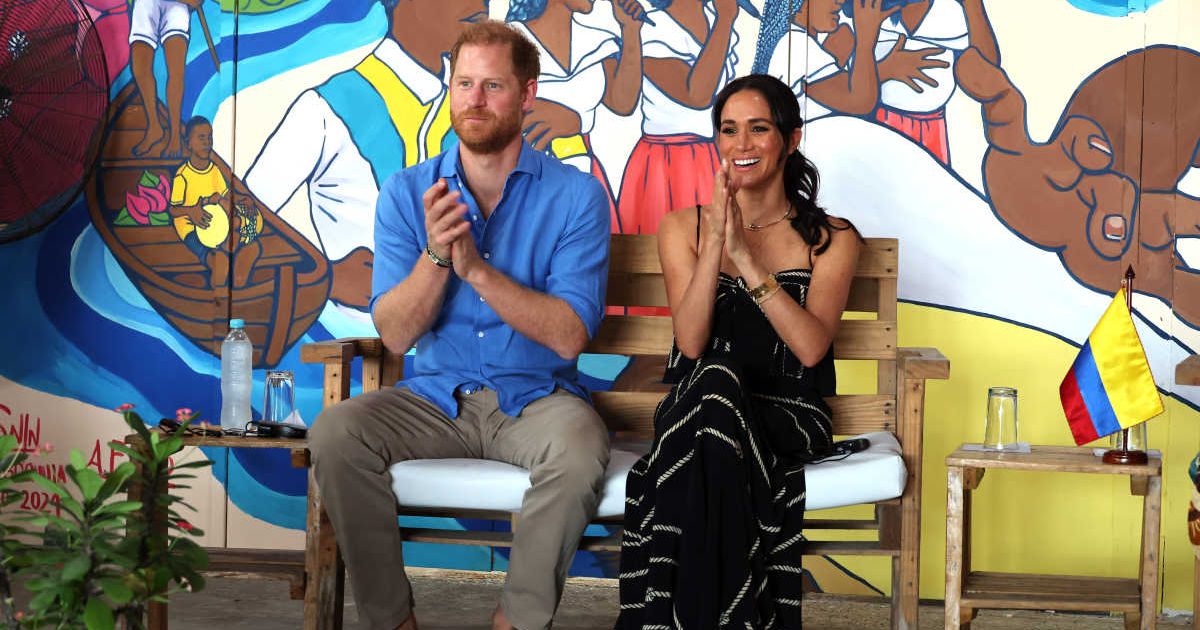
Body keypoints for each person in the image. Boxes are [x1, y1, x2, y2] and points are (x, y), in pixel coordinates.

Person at [308, 20, 612, 630]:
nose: (474, 100)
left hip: (535, 400)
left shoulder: (576, 196)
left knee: (579, 450)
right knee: (335, 434)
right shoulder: (407, 192)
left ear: (527, 94)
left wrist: (476, 270)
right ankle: (392, 622)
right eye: (464, 84)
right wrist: (438, 257)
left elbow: (569, 334)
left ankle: (516, 621)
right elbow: (396, 336)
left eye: (492, 85)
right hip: (434, 401)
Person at [616, 74, 861, 628]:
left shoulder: (831, 238)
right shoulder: (681, 227)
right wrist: (715, 244)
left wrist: (746, 259)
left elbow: (811, 348)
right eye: (728, 130)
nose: (741, 144)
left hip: (786, 414)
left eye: (758, 129)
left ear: (790, 139)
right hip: (699, 410)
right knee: (714, 383)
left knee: (714, 395)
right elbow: (691, 342)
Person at [244, 0, 488, 311]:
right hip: (356, 333)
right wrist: (326, 277)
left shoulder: (469, 116)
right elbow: (241, 224)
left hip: (459, 333)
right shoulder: (327, 106)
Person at [168, 116, 262, 288]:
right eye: (201, 137)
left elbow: (226, 195)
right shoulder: (183, 175)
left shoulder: (215, 171)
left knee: (245, 239)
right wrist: (191, 211)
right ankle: (219, 279)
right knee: (212, 256)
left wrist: (243, 199)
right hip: (192, 228)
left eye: (209, 137)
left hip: (216, 223)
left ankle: (238, 267)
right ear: (188, 143)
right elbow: (173, 210)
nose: (207, 142)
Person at [128, 0, 202, 158]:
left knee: (176, 72)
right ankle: (154, 127)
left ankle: (175, 135)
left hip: (177, 5)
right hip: (146, 3)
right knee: (140, 68)